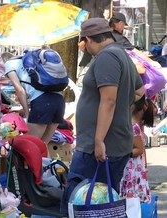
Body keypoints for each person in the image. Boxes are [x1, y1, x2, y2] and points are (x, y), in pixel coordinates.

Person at [60, 18, 144, 213]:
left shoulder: (107, 57)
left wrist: (98, 140)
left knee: (76, 200)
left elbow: (109, 100)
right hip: (113, 143)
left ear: (88, 39)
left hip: (99, 146)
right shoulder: (121, 54)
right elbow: (139, 93)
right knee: (103, 206)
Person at [1, 52, 65, 149]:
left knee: (28, 147)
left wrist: (27, 114)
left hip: (43, 102)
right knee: (42, 146)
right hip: (59, 102)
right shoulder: (27, 62)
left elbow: (20, 90)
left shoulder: (8, 64)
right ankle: (48, 164)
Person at [120, 96, 155, 203]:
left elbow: (139, 149)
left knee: (132, 197)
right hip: (130, 167)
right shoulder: (131, 125)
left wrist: (122, 152)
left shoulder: (133, 126)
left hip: (132, 169)